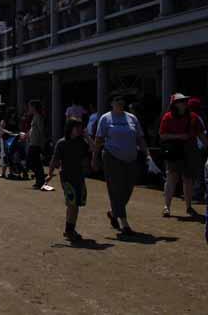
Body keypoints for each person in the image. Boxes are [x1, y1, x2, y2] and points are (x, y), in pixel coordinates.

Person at [94, 96, 152, 236]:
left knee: (128, 188)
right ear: (112, 103)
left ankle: (114, 212)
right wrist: (94, 158)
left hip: (131, 158)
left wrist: (147, 154)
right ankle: (124, 224)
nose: (120, 103)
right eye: (117, 101)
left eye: (122, 101)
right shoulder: (105, 118)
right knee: (116, 189)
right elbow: (99, 139)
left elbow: (140, 138)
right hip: (112, 157)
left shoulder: (132, 118)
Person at [46, 118, 90, 242]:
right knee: (72, 203)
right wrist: (50, 173)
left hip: (79, 176)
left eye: (81, 128)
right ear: (70, 128)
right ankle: (69, 230)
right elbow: (55, 160)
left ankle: (70, 229)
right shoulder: (62, 143)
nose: (80, 130)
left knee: (75, 204)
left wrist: (87, 137)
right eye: (78, 128)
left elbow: (93, 149)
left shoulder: (82, 142)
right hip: (67, 176)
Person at [159, 93, 201, 217]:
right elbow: (162, 135)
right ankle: (166, 206)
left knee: (188, 179)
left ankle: (188, 206)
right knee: (172, 177)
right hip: (174, 150)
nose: (184, 103)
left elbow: (201, 134)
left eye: (185, 100)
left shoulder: (193, 117)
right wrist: (179, 136)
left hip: (189, 151)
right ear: (174, 104)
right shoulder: (167, 117)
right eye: (181, 101)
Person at [27, 100, 47, 189]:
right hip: (32, 142)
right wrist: (27, 135)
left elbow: (41, 130)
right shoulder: (35, 117)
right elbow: (33, 130)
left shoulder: (38, 117)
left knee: (34, 163)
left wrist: (42, 144)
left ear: (34, 107)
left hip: (36, 144)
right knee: (35, 162)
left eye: (30, 107)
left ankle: (40, 181)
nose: (29, 108)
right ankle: (40, 180)